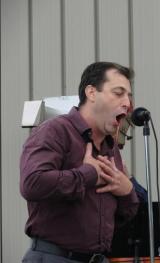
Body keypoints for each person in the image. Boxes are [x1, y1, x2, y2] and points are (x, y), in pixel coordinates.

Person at [20, 62, 142, 263]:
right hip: (54, 257)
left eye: (129, 96)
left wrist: (127, 191)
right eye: (118, 93)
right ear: (92, 93)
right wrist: (87, 174)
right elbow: (32, 183)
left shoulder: (109, 146)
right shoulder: (55, 131)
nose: (128, 103)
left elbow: (121, 217)